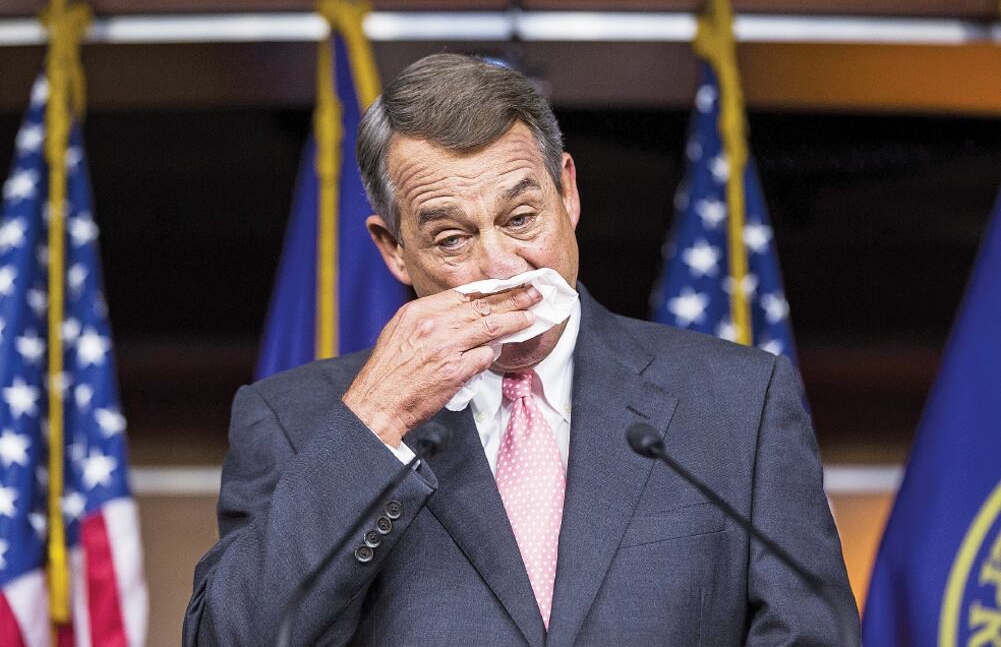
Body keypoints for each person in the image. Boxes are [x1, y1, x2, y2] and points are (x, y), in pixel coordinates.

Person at [183, 54, 859, 646]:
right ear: (392, 248)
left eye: (519, 218)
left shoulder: (740, 403)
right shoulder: (292, 419)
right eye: (451, 238)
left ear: (566, 191)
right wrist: (374, 423)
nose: (500, 264)